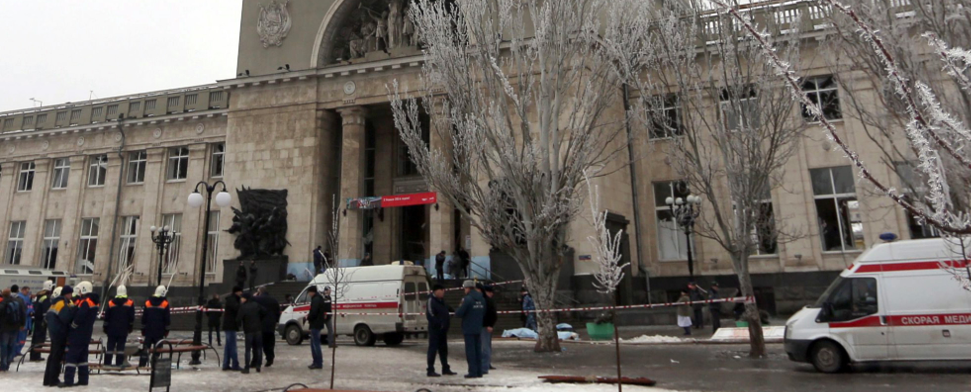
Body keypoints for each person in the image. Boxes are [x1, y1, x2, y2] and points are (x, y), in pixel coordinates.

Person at [62, 281, 99, 387]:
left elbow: (80, 315)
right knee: (83, 358)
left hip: (78, 333)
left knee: (71, 357)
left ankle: (68, 380)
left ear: (83, 289)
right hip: (87, 333)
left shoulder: (85, 302)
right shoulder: (94, 301)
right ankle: (83, 379)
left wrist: (73, 325)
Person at [44, 286, 74, 386]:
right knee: (57, 357)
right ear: (67, 294)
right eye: (70, 293)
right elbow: (66, 318)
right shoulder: (63, 304)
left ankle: (47, 379)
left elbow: (47, 317)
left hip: (53, 332)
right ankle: (53, 379)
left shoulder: (55, 303)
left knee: (52, 356)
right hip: (60, 333)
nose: (71, 295)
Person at [454, 280, 485, 379]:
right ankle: (479, 371)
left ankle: (472, 371)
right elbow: (484, 312)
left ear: (467, 288)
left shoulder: (467, 299)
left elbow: (459, 313)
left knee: (470, 351)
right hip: (478, 327)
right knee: (478, 350)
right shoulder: (482, 299)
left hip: (468, 328)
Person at [102, 285, 135, 369]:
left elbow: (107, 317)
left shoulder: (111, 303)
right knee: (120, 347)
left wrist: (105, 327)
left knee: (110, 347)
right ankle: (119, 363)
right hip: (123, 329)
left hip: (111, 329)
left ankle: (107, 363)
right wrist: (130, 327)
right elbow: (131, 317)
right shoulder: (130, 303)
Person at [425, 284, 455, 377]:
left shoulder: (442, 301)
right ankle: (430, 369)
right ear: (436, 291)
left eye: (443, 291)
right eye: (441, 291)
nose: (443, 293)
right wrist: (438, 323)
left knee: (443, 349)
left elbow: (448, 309)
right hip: (435, 330)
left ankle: (445, 367)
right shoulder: (431, 300)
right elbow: (430, 315)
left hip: (443, 330)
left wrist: (453, 312)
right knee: (433, 349)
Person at [139, 285, 170, 368]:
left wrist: (143, 328)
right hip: (159, 331)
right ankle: (154, 362)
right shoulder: (165, 303)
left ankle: (142, 364)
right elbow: (167, 319)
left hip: (148, 330)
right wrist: (166, 330)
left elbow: (144, 317)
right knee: (158, 348)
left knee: (146, 348)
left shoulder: (148, 302)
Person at [236, 292, 266, 374]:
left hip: (248, 330)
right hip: (258, 329)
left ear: (245, 298)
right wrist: (259, 320)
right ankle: (258, 365)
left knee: (248, 349)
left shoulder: (243, 307)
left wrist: (240, 324)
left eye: (242, 298)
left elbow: (238, 319)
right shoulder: (256, 304)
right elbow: (264, 311)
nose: (241, 299)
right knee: (259, 348)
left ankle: (247, 367)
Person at [1, 287, 27, 372]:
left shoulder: (3, 303)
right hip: (15, 327)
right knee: (12, 346)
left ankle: (3, 365)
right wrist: (22, 324)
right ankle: (8, 362)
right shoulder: (17, 301)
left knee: (4, 346)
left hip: (5, 328)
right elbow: (23, 313)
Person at [253, 288, 281, 367]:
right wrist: (275, 320)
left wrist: (254, 296)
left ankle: (258, 360)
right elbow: (277, 311)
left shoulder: (257, 299)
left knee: (260, 342)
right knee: (270, 341)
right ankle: (270, 357)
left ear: (259, 292)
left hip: (260, 323)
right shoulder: (274, 300)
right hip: (271, 324)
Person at [29, 281, 53, 362]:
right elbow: (45, 310)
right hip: (41, 321)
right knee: (40, 339)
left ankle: (33, 354)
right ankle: (36, 355)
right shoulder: (46, 297)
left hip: (37, 319)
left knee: (35, 338)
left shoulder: (39, 295)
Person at [222, 286, 243, 371]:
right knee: (232, 345)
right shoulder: (233, 300)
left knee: (228, 346)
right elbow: (237, 308)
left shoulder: (231, 299)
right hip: (231, 325)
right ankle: (235, 364)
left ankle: (226, 364)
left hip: (229, 325)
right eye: (240, 291)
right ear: (237, 292)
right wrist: (241, 302)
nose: (241, 293)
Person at [305, 286, 326, 369]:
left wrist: (308, 317)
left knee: (315, 344)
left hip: (315, 324)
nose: (309, 294)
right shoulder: (319, 298)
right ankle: (317, 362)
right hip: (318, 323)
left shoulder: (316, 299)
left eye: (309, 292)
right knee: (315, 343)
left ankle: (317, 362)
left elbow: (314, 312)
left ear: (312, 292)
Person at [480, 285, 498, 375]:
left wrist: (489, 324)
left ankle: (485, 366)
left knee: (485, 347)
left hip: (485, 326)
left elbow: (492, 314)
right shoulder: (488, 301)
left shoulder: (486, 301)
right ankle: (487, 364)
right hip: (487, 325)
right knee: (486, 346)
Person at [16, 286, 32, 358]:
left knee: (23, 338)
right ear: (22, 290)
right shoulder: (20, 298)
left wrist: (31, 311)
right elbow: (23, 309)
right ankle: (16, 351)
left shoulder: (28, 297)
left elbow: (30, 306)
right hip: (23, 321)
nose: (27, 292)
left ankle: (18, 350)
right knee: (19, 337)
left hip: (27, 320)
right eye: (26, 291)